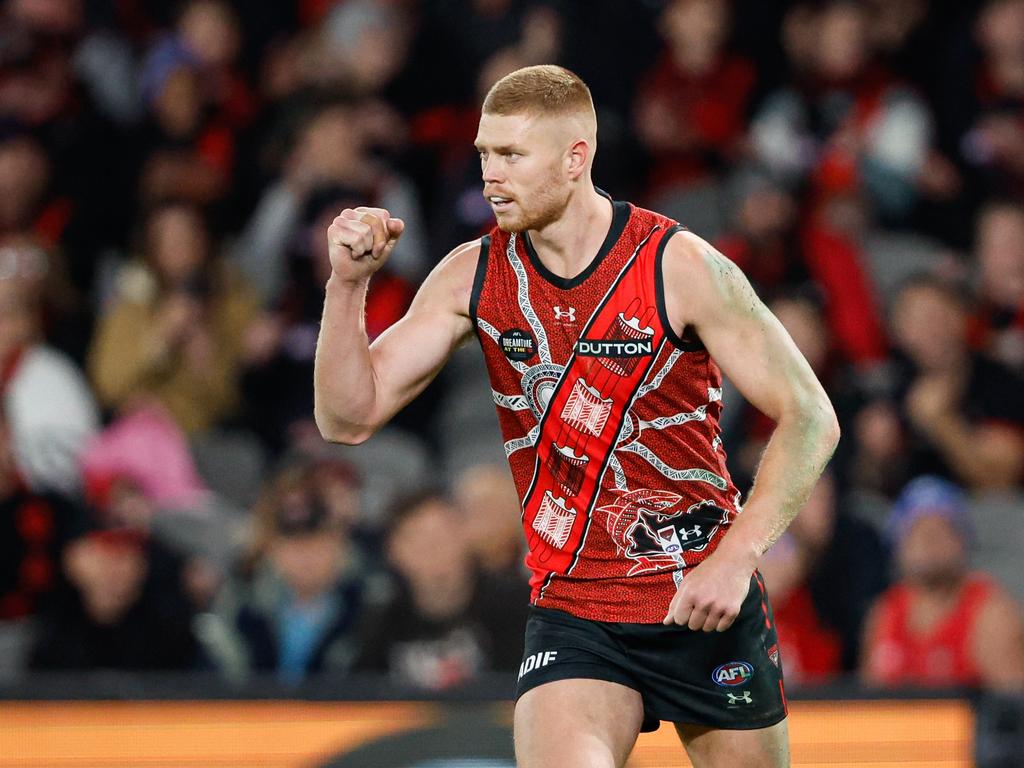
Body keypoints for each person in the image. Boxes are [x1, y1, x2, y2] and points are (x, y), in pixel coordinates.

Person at [314, 65, 840, 768]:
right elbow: (348, 418)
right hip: (576, 610)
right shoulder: (474, 274)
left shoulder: (675, 265)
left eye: (511, 156)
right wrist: (348, 288)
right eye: (483, 155)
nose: (489, 178)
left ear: (575, 157)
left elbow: (810, 415)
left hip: (699, 599)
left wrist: (738, 556)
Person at [861, 476, 1024, 691]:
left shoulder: (988, 614)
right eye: (916, 530)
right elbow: (865, 704)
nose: (928, 540)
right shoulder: (885, 613)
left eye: (941, 529)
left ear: (962, 540)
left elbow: (1013, 709)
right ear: (898, 544)